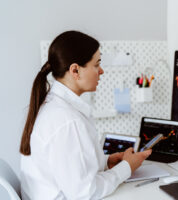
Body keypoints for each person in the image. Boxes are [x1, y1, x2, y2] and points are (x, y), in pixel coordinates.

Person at [19, 30, 152, 200]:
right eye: (96, 64)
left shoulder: (53, 105)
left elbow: (68, 166)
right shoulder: (67, 120)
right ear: (75, 70)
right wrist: (126, 167)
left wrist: (106, 162)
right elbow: (85, 192)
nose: (101, 71)